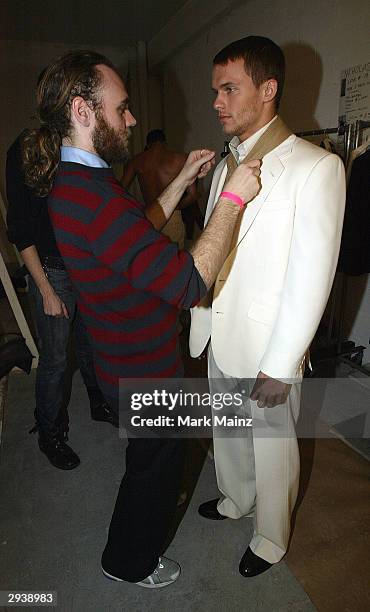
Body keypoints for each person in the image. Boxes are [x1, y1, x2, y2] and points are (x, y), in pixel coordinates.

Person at [21, 49, 261, 588]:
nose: (131, 119)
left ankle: (133, 543)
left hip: (118, 355)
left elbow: (133, 235)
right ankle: (126, 562)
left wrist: (178, 186)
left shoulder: (83, 183)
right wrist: (232, 199)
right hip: (141, 365)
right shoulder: (91, 197)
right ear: (83, 111)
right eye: (122, 107)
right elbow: (189, 284)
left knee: (154, 460)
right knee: (153, 471)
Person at [189, 36, 346, 577]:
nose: (217, 102)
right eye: (216, 91)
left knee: (274, 449)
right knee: (227, 431)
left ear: (268, 89)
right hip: (218, 329)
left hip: (269, 343)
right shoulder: (222, 167)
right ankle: (235, 497)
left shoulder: (316, 168)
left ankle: (272, 538)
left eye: (229, 89)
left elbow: (312, 278)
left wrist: (280, 364)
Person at [6, 129, 118, 472]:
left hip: (86, 264)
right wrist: (45, 289)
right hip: (51, 270)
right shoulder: (24, 147)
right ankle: (49, 432)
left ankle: (97, 401)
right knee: (55, 359)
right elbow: (21, 228)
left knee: (90, 343)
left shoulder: (83, 141)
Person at [121, 128, 200, 247]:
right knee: (174, 261)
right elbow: (193, 195)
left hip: (149, 217)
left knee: (152, 260)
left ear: (147, 144)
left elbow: (120, 190)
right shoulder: (180, 159)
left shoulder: (136, 161)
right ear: (164, 143)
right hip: (172, 216)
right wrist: (176, 206)